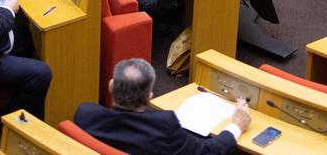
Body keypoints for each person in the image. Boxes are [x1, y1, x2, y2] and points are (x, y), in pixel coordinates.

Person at [75, 58, 250, 155]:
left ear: (111, 86)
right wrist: (236, 126)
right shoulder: (164, 127)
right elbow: (210, 151)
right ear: (149, 97)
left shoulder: (84, 115)